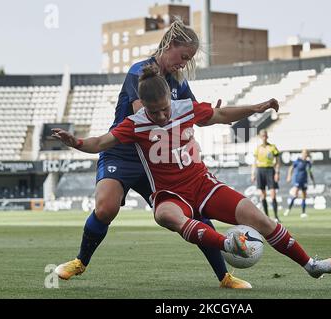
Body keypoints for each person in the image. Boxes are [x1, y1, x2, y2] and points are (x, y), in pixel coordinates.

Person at [52, 65, 331, 286]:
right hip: (169, 194)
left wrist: (255, 107)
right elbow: (100, 143)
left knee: (260, 219)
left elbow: (222, 115)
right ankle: (227, 243)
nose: (163, 116)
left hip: (203, 185)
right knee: (165, 215)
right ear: (143, 106)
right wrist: (75, 142)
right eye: (155, 112)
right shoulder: (134, 124)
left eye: (165, 108)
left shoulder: (186, 107)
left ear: (169, 98)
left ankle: (310, 265)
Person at [54, 20, 251, 289]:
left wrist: (213, 116)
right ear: (170, 46)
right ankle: (80, 261)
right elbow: (145, 119)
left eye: (188, 60)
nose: (183, 64)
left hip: (155, 160)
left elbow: (190, 112)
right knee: (106, 207)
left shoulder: (178, 82)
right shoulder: (139, 73)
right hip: (122, 152)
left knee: (194, 212)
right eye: (183, 57)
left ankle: (224, 276)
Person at [251, 129, 281, 222]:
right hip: (260, 170)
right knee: (263, 195)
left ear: (267, 136)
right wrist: (253, 174)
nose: (264, 137)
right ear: (260, 137)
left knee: (273, 194)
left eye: (266, 136)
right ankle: (267, 217)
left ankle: (276, 216)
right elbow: (254, 162)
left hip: (270, 170)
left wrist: (277, 172)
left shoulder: (272, 147)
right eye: (263, 136)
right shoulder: (258, 148)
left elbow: (278, 161)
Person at [284, 149, 316, 218]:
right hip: (297, 180)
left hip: (304, 180)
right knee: (295, 195)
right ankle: (288, 209)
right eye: (304, 153)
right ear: (302, 154)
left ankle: (303, 212)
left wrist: (313, 181)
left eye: (306, 153)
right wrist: (289, 176)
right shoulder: (298, 161)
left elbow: (310, 172)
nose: (305, 154)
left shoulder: (308, 163)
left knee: (304, 196)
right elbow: (291, 168)